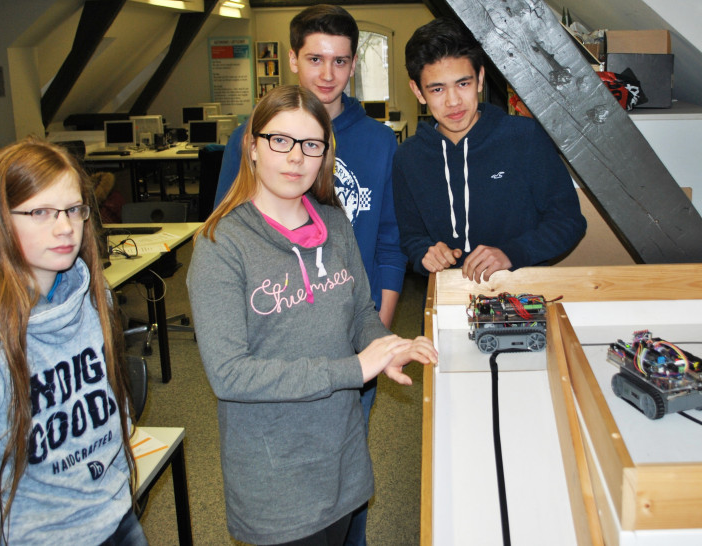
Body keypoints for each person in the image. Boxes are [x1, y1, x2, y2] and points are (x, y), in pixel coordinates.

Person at [187, 85, 437, 546]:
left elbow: (360, 311)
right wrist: (355, 367)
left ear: (324, 155)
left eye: (311, 145)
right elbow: (229, 375)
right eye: (279, 140)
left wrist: (384, 346)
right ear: (253, 147)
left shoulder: (335, 224)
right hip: (275, 473)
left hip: (341, 455)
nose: (296, 158)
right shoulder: (221, 244)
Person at [215, 7, 407, 542]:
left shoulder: (375, 146)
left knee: (348, 469)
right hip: (279, 340)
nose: (327, 73)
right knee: (292, 480)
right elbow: (230, 229)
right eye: (315, 58)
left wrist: (376, 341)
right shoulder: (249, 136)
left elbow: (389, 242)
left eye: (341, 61)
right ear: (293, 58)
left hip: (355, 330)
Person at [0, 138, 146, 545]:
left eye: (73, 210)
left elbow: (113, 407)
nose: (66, 227)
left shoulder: (93, 298)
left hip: (116, 517)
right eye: (41, 212)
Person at [393, 18, 586, 281]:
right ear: (417, 91)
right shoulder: (407, 157)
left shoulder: (525, 137)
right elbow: (410, 235)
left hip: (524, 292)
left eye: (463, 84)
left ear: (480, 78)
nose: (453, 101)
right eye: (437, 89)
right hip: (448, 295)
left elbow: (568, 222)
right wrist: (423, 253)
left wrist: (511, 253)